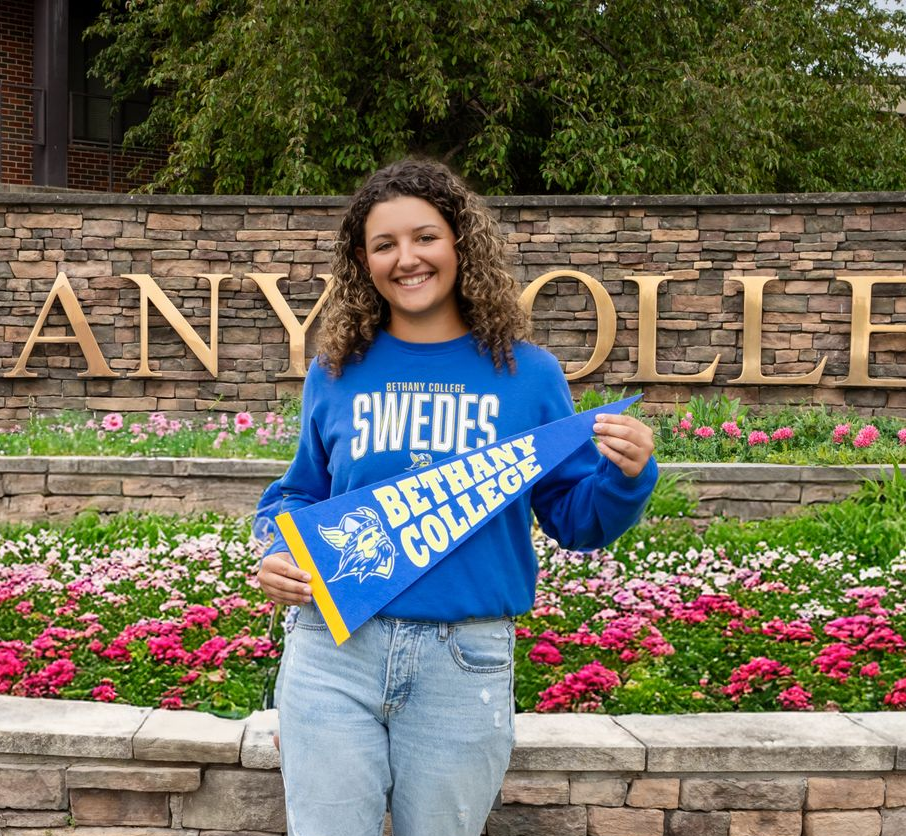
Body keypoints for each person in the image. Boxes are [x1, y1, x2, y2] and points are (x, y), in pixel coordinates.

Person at [253, 158, 658, 836]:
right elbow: (298, 496)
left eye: (425, 237)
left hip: (463, 663)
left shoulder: (527, 374)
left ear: (460, 243)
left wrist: (627, 477)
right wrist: (277, 551)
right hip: (332, 653)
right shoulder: (336, 371)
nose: (406, 259)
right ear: (363, 261)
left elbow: (575, 519)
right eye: (384, 245)